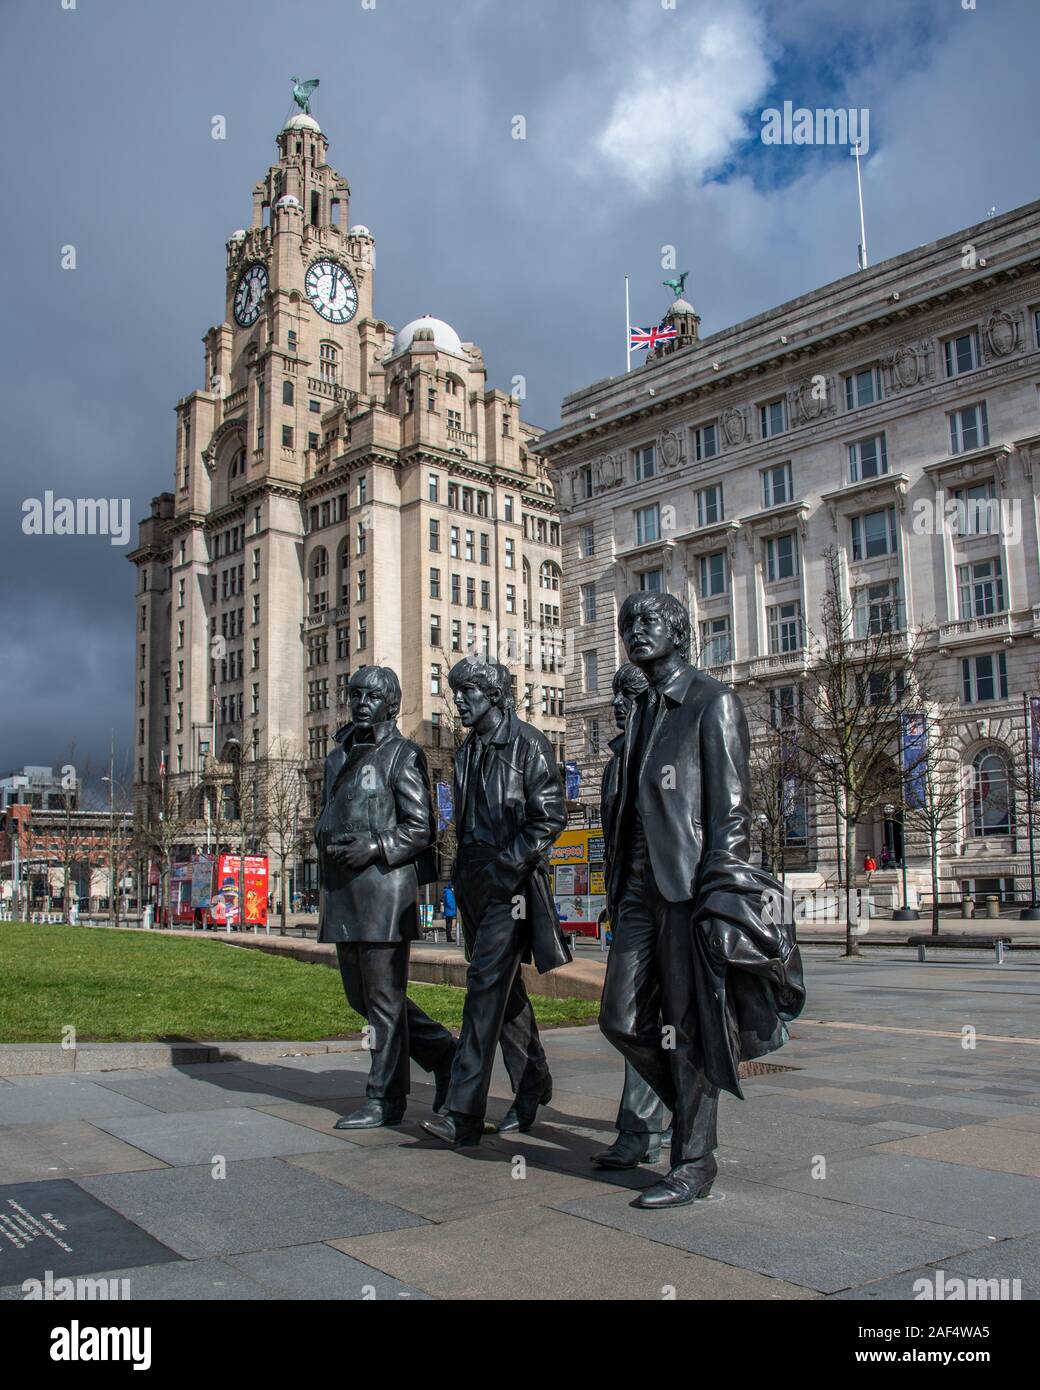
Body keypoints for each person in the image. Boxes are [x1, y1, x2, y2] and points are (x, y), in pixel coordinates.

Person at [600, 592, 804, 1209]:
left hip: (687, 887)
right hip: (636, 889)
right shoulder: (639, 711)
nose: (637, 631)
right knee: (622, 1019)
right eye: (628, 623)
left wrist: (719, 896)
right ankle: (687, 1118)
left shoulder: (712, 702)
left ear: (679, 633)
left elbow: (731, 813)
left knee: (687, 1028)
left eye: (651, 622)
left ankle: (694, 1159)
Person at [422, 656, 569, 1147]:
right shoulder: (467, 752)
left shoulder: (529, 745)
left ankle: (463, 1112)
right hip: (473, 885)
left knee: (483, 988)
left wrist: (507, 866)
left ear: (494, 693)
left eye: (467, 691)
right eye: (455, 690)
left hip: (512, 888)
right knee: (505, 995)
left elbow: (549, 817)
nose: (459, 699)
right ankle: (532, 1084)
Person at [315, 664, 456, 1129]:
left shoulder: (403, 754)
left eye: (371, 696)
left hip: (384, 892)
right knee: (363, 998)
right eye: (355, 695)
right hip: (344, 890)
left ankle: (385, 1098)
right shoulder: (337, 757)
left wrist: (374, 845)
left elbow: (421, 828)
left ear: (390, 706)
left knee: (382, 999)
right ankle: (443, 1053)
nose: (360, 703)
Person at [592, 662, 670, 1171]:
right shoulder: (616, 759)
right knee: (623, 1017)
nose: (621, 704)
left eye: (633, 693)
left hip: (677, 898)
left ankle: (645, 1127)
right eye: (618, 695)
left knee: (676, 1020)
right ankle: (662, 1115)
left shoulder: (673, 747)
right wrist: (614, 895)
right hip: (634, 899)